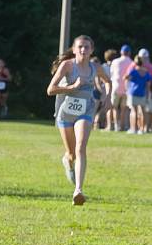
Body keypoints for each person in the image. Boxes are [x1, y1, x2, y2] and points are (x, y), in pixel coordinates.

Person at [46, 35, 111, 205]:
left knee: (81, 147)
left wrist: (108, 98)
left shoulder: (95, 67)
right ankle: (67, 161)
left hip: (86, 112)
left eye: (87, 47)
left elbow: (108, 81)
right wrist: (71, 87)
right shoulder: (67, 65)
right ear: (74, 50)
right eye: (80, 46)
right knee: (72, 153)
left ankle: (78, 190)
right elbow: (50, 89)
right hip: (65, 113)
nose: (83, 50)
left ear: (92, 50)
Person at [124, 55, 152, 134]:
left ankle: (134, 129)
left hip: (133, 93)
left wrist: (126, 86)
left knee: (134, 111)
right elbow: (148, 86)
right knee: (143, 112)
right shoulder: (146, 72)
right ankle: (142, 129)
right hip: (142, 93)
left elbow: (125, 78)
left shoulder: (133, 71)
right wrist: (147, 96)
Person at [110, 45, 133, 131]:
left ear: (121, 52)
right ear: (129, 53)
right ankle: (122, 126)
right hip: (126, 88)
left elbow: (112, 73)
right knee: (124, 109)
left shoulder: (115, 61)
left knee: (115, 108)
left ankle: (116, 126)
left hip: (116, 86)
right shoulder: (131, 62)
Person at [101, 49, 118, 131]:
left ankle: (108, 125)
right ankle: (112, 125)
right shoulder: (116, 65)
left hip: (104, 89)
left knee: (106, 107)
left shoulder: (103, 66)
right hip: (113, 88)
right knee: (112, 107)